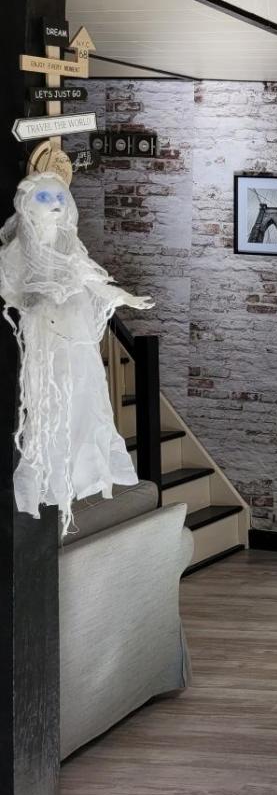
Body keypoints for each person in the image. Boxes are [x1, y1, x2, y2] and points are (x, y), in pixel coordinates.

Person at [0, 171, 152, 528]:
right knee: (51, 408)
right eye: (44, 198)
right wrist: (40, 298)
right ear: (27, 204)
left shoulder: (69, 247)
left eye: (59, 198)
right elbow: (12, 288)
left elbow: (90, 279)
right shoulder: (20, 250)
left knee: (86, 403)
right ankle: (50, 477)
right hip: (48, 341)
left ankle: (86, 471)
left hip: (78, 343)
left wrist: (124, 296)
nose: (55, 204)